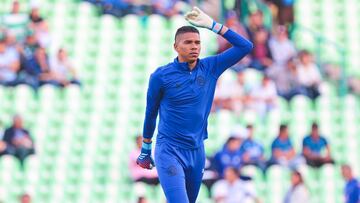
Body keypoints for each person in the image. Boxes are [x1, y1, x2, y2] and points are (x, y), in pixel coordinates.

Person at [136, 7, 253, 203]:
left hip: (196, 152)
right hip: (169, 151)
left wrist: (213, 26)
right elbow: (150, 113)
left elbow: (245, 46)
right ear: (176, 46)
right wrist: (146, 149)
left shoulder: (210, 68)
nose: (194, 46)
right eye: (188, 42)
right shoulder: (161, 76)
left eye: (197, 43)